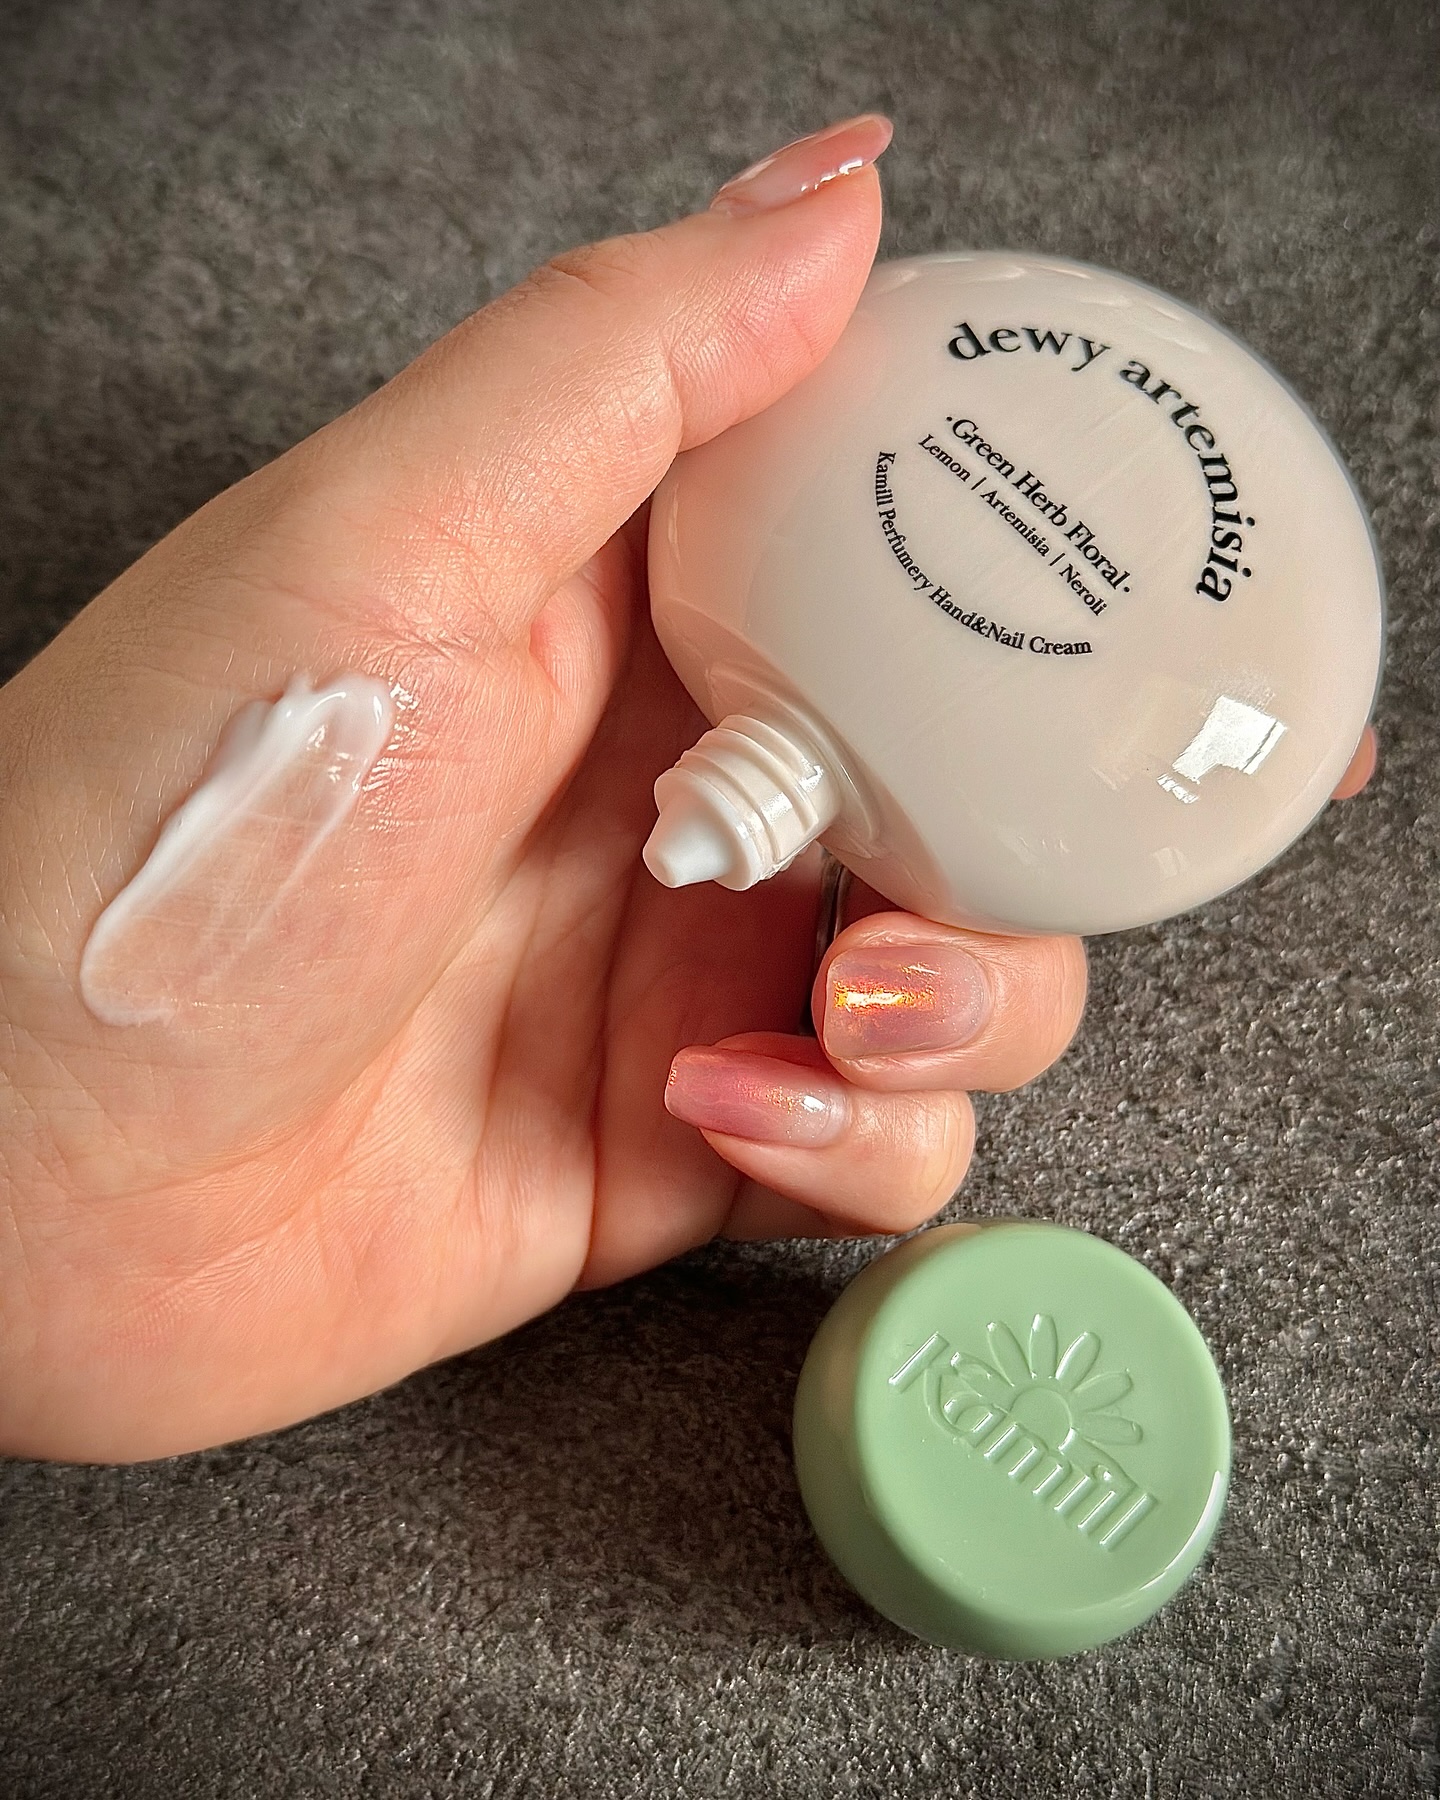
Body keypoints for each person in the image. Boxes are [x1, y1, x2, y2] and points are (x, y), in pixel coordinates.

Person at [0, 116, 1375, 1463]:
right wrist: (51, 1153)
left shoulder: (718, 586)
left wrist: (63, 1238)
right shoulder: (688, 578)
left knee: (921, 1012)